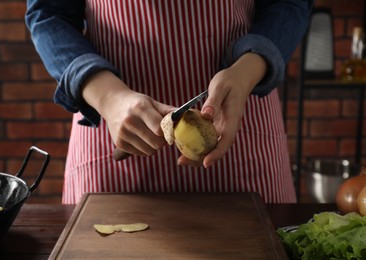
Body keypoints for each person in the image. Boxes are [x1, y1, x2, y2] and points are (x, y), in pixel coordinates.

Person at [25, 0, 313, 204]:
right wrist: (109, 97)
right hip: (113, 129)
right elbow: (49, 14)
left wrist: (247, 71)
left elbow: (288, 3)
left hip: (241, 121)